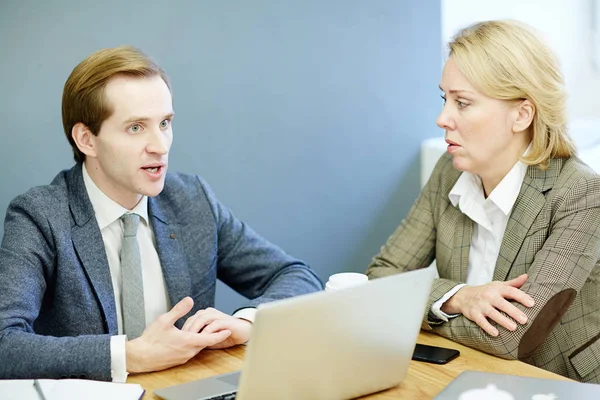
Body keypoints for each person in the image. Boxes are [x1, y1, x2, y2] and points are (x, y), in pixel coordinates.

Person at [0, 46, 322, 382]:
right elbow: (4, 344)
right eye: (136, 128)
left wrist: (247, 321)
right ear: (87, 139)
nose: (161, 146)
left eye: (165, 123)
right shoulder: (40, 216)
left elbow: (296, 276)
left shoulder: (192, 200)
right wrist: (127, 355)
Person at [366, 20, 600, 383]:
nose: (442, 118)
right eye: (445, 99)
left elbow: (512, 338)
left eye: (463, 103)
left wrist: (420, 308)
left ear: (522, 114)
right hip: (468, 373)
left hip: (558, 385)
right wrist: (458, 297)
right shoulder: (450, 169)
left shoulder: (583, 194)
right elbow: (382, 276)